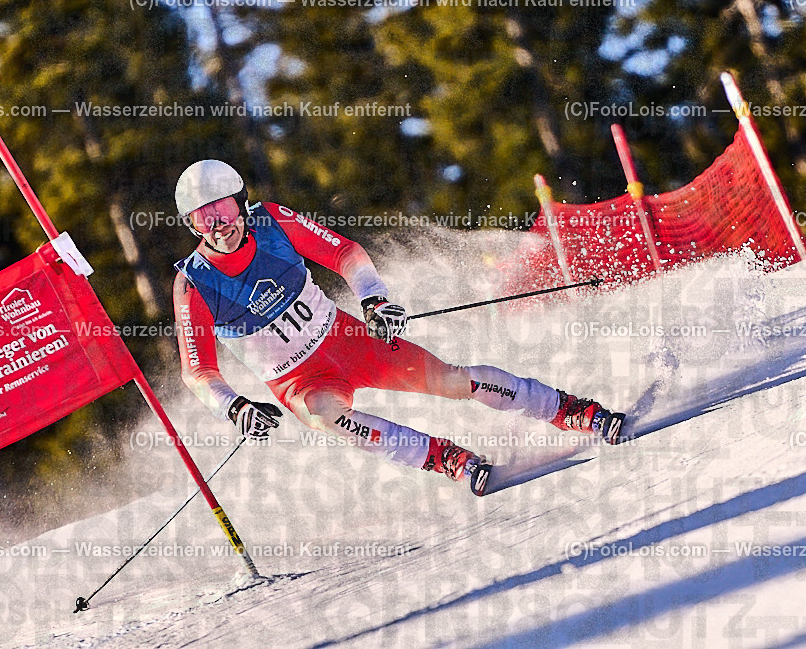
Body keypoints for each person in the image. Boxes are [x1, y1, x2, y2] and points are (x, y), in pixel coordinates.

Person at [171, 160, 622, 496]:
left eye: (223, 208)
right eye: (202, 217)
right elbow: (198, 371)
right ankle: (446, 458)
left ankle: (566, 409)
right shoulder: (194, 284)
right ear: (191, 225)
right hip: (300, 381)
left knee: (451, 380)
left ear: (241, 202)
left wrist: (375, 299)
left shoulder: (272, 221)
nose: (217, 225)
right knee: (325, 415)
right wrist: (234, 408)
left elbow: (345, 252)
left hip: (348, 341)